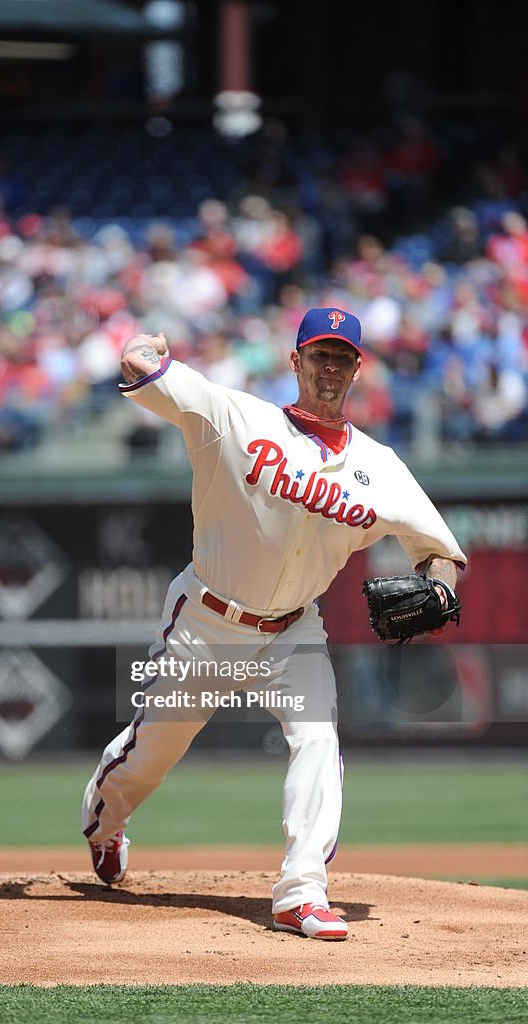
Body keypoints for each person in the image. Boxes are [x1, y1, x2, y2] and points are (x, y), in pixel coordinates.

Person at [81, 307, 466, 941]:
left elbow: (441, 552)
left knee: (318, 739)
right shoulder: (233, 415)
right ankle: (103, 823)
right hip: (206, 620)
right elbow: (136, 364)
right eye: (320, 354)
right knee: (151, 754)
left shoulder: (382, 466)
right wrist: (145, 346)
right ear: (296, 361)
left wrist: (439, 589)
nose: (331, 367)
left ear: (357, 369)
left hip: (294, 630)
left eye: (342, 357)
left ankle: (301, 892)